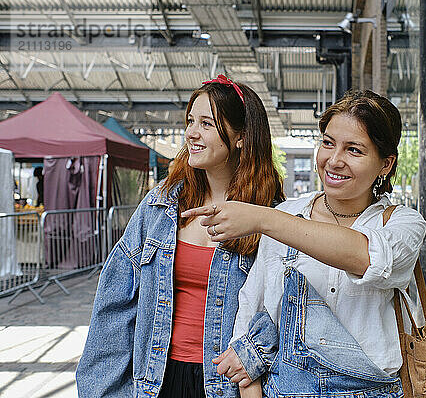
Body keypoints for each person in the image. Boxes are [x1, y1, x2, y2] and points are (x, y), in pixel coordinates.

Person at [181, 89, 426, 397]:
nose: (334, 161)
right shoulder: (289, 214)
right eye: (328, 143)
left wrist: (263, 219)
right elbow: (249, 320)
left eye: (354, 150)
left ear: (386, 164)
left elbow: (367, 256)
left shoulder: (402, 224)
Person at [76, 74, 284, 398]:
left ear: (241, 136)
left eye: (207, 123)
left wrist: (256, 356)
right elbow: (115, 303)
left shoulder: (271, 216)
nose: (191, 133)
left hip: (230, 384)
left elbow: (288, 310)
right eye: (190, 121)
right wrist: (105, 390)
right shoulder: (161, 205)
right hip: (157, 379)